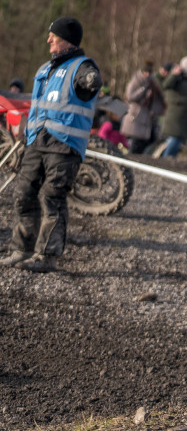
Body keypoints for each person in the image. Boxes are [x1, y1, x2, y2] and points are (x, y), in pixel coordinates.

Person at [1, 17, 102, 273]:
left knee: (51, 197)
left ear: (67, 40)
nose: (48, 40)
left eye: (53, 36)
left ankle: (46, 255)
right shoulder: (44, 69)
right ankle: (20, 249)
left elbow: (91, 81)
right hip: (37, 142)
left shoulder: (82, 66)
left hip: (64, 146)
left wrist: (91, 80)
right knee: (23, 193)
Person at [160, 54, 187, 158]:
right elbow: (165, 86)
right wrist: (174, 74)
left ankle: (169, 160)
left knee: (178, 142)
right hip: (176, 116)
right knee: (174, 140)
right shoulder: (177, 78)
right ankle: (165, 161)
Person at [121, 60, 166, 155]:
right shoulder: (136, 81)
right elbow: (129, 96)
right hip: (136, 117)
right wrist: (143, 90)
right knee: (134, 145)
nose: (147, 74)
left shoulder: (153, 83)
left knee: (143, 144)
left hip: (146, 118)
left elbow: (158, 99)